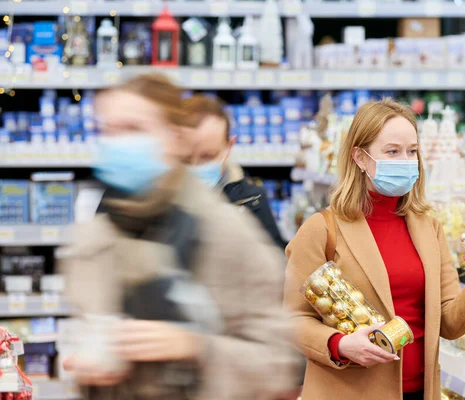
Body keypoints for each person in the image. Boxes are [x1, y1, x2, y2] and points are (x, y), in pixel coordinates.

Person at [60, 74, 299, 399]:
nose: (119, 143)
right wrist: (89, 364)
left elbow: (277, 360)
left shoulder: (226, 231)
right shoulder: (96, 236)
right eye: (109, 130)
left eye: (135, 129)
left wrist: (197, 347)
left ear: (174, 138)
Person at [283, 99, 465, 400]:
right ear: (359, 157)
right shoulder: (322, 229)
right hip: (350, 391)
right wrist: (339, 344)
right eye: (392, 151)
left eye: (412, 151)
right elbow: (293, 321)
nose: (406, 160)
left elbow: (447, 322)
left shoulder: (428, 227)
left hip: (420, 391)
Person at [181, 95, 287, 249]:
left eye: (207, 156)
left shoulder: (252, 199)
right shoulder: (156, 198)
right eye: (185, 158)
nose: (195, 166)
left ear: (229, 147)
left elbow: (274, 264)